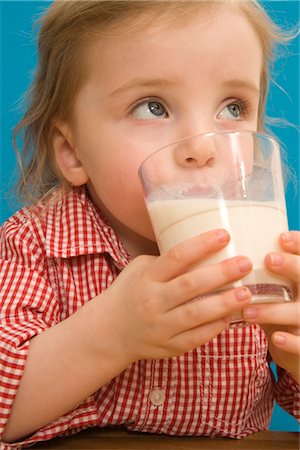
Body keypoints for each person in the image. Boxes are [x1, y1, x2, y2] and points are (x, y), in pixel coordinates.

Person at [0, 0, 299, 448]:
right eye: (152, 107)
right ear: (73, 151)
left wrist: (292, 351)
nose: (204, 147)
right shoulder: (35, 243)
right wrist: (109, 335)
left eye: (233, 108)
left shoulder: (267, 255)